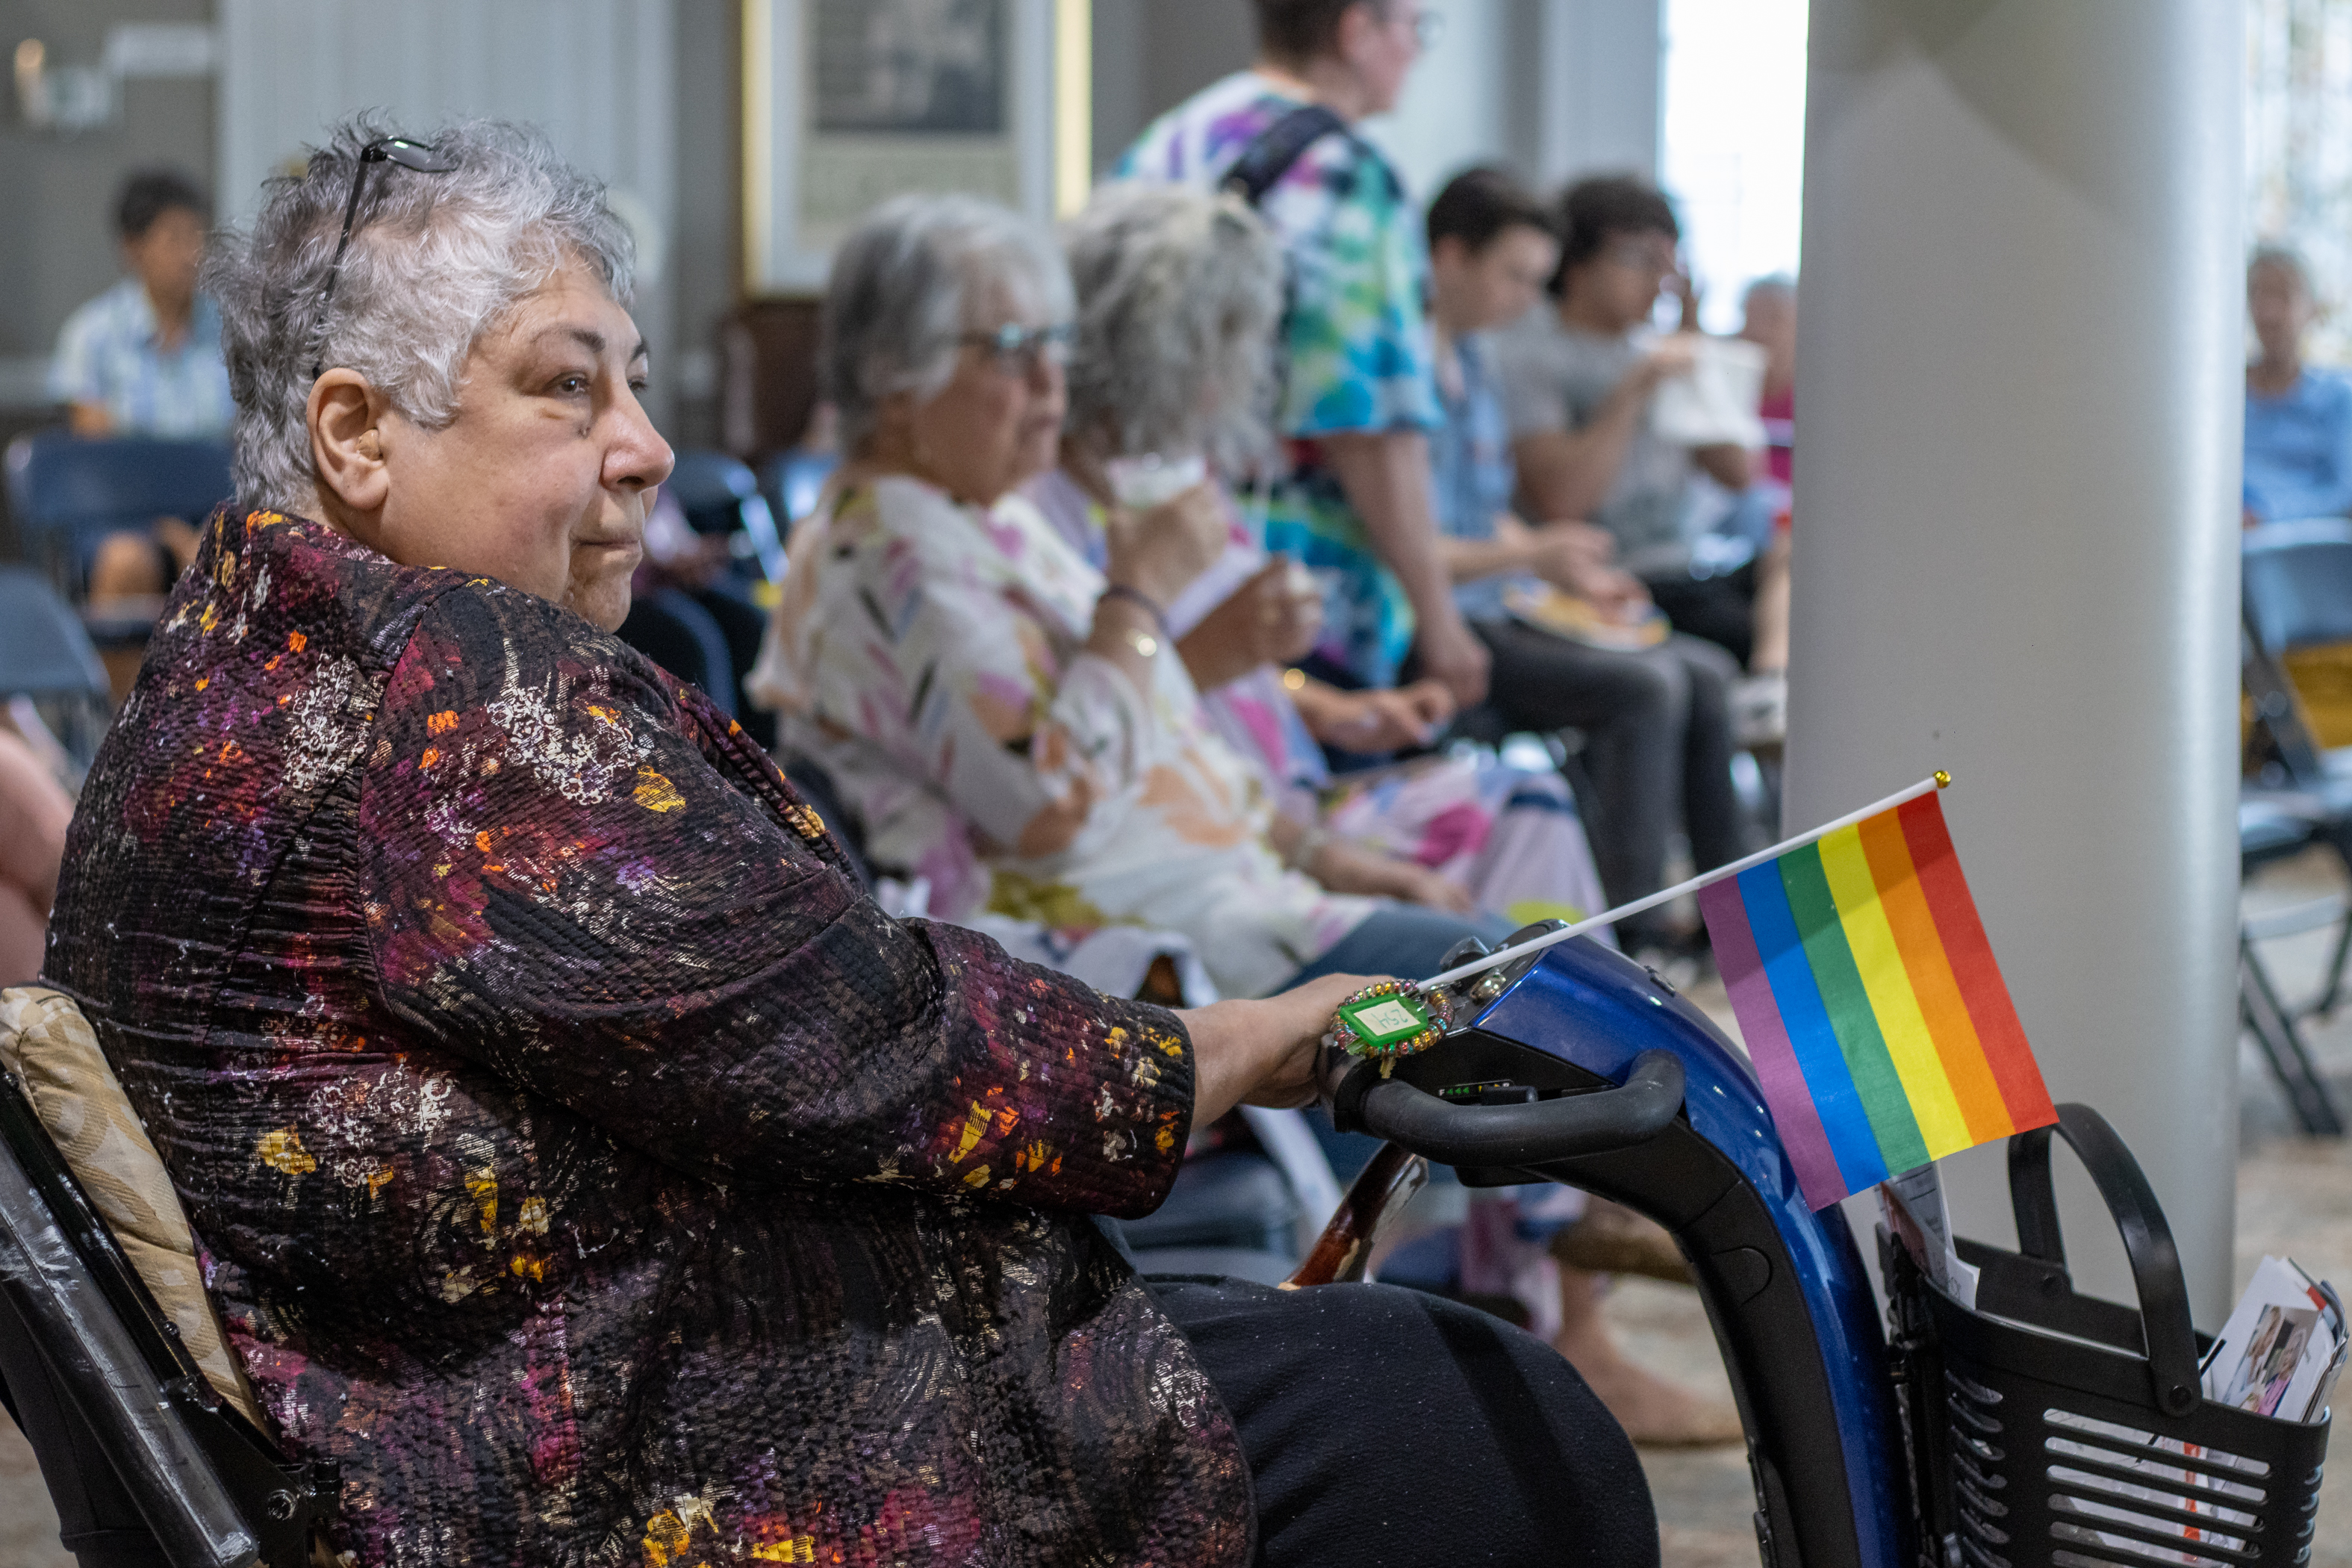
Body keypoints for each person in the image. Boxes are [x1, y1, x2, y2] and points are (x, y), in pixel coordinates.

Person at [40, 119, 1654, 1567]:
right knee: (1475, 1421)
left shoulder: (244, 657)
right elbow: (862, 1035)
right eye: (565, 384)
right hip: (620, 1458)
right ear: (356, 435)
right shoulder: (446, 684)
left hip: (506, 1406)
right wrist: (1229, 1047)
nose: (645, 445)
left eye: (638, 381)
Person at [771, 193, 1514, 1007]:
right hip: (1108, 963)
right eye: (1013, 350)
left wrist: (1322, 856)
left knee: (1533, 967)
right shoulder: (893, 550)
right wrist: (1138, 597)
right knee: (1520, 990)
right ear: (895, 375)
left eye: (1058, 343)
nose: (1053, 382)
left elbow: (1157, 729)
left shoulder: (979, 515)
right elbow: (1048, 807)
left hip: (1224, 898)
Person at [1037, 178, 1610, 931]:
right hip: (1198, 835)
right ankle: (1524, 1029)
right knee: (1514, 847)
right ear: (1159, 348)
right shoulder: (1054, 514)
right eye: (1233, 340)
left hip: (1271, 792)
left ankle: (1544, 1031)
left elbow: (1220, 671)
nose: (1249, 374)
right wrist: (1236, 649)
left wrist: (1337, 709)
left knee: (1527, 801)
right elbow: (1107, 731)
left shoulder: (1170, 476)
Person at [1115, 0, 1493, 707]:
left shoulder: (1172, 139)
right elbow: (1366, 426)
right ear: (1357, 31)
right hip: (1293, 593)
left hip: (1151, 557)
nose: (1418, 48)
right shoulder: (1347, 174)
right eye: (1414, 25)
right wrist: (1442, 623)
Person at [1423, 166, 1749, 953]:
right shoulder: (1469, 365)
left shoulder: (1467, 365)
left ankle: (1735, 929)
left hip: (1510, 597)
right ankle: (1632, 930)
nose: (1521, 298)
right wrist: (1538, 551)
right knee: (1649, 682)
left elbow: (1487, 515)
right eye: (1514, 276)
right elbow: (1425, 538)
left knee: (1705, 671)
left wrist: (1557, 569)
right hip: (1450, 616)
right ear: (1450, 258)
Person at [1497, 175, 1772, 668]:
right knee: (1735, 645)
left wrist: (1694, 330)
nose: (1659, 279)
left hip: (1688, 562)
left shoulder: (1663, 349)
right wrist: (1634, 387)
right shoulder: (1531, 354)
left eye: (1668, 261)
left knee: (1806, 591)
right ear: (1577, 266)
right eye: (1639, 259)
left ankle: (1772, 684)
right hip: (1615, 577)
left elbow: (1738, 474)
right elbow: (1564, 500)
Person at [49, 168, 235, 606]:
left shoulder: (232, 330)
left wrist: (209, 526)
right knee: (126, 562)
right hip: (123, 518)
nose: (192, 253)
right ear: (133, 248)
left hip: (218, 510)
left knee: (255, 549)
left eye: (198, 236)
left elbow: (248, 444)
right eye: (174, 238)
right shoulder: (92, 335)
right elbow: (102, 463)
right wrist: (173, 533)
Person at [2244, 245, 2352, 526]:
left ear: (2312, 309)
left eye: (2284, 296)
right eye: (2259, 295)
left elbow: (2346, 495)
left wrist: (2266, 515)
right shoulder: (2222, 399)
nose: (2269, 313)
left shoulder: (2337, 399)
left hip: (2303, 555)